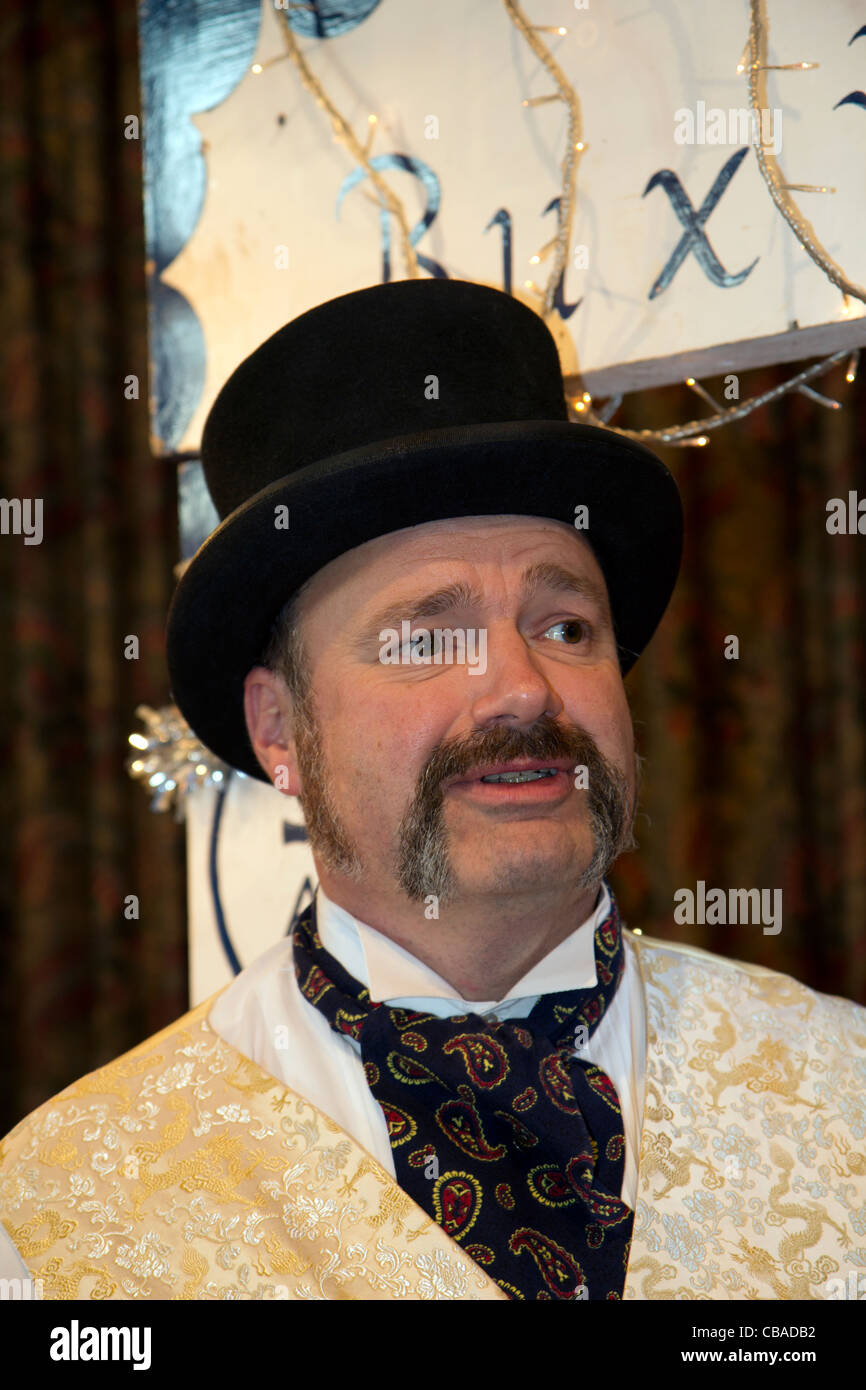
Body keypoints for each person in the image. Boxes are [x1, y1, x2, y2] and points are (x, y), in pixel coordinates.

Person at [1, 279, 864, 1302]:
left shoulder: (843, 1088)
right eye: (425, 638)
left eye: (564, 626)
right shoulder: (58, 1218)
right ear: (279, 728)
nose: (518, 687)